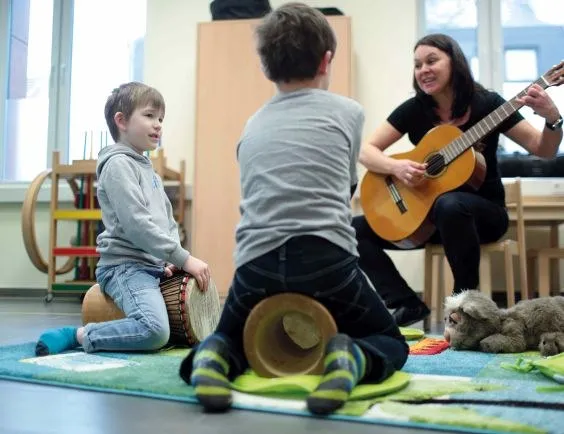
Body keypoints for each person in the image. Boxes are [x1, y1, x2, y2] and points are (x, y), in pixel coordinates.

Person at [178, 2, 409, 416]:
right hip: (325, 261)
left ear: (265, 67)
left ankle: (212, 356)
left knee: (231, 336)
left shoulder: (252, 125)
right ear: (327, 60)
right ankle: (352, 358)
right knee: (390, 340)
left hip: (255, 266)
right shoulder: (349, 112)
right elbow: (344, 188)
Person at [353, 33, 563, 327]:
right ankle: (404, 302)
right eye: (417, 65)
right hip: (430, 221)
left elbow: (545, 149)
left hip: (483, 216)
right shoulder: (414, 110)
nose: (423, 69)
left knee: (449, 204)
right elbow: (366, 150)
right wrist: (397, 169)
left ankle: (465, 309)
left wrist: (552, 118)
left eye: (431, 60)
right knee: (354, 229)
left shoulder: (488, 104)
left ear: (455, 62)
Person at [35, 82, 211, 356]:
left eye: (161, 118)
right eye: (150, 115)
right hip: (124, 267)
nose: (158, 125)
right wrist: (184, 258)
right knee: (155, 331)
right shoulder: (118, 165)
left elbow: (166, 220)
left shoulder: (147, 169)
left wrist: (168, 260)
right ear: (122, 121)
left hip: (149, 266)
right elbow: (137, 225)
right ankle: (80, 335)